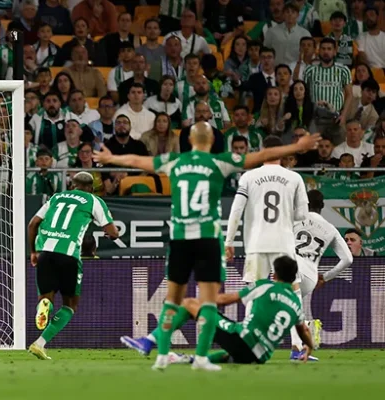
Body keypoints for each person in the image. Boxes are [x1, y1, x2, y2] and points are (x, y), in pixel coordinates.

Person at [93, 121, 321, 371]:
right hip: (208, 238)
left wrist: (111, 158)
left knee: (172, 301)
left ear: (190, 140)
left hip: (180, 238)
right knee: (209, 302)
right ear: (212, 140)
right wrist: (296, 146)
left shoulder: (174, 161)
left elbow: (137, 161)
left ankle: (162, 355)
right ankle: (201, 358)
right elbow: (262, 155)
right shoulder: (219, 162)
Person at [121, 256, 316, 365]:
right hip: (260, 357)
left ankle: (148, 341)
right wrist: (310, 347)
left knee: (188, 304)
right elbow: (303, 331)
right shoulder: (296, 303)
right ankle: (186, 360)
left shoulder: (266, 286)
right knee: (226, 355)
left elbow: (226, 299)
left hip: (242, 340)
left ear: (275, 274)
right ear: (294, 277)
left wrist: (201, 303)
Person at [27, 172, 119, 360]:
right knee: (70, 305)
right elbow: (113, 232)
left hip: (45, 253)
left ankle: (44, 306)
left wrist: (33, 252)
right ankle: (39, 343)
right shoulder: (93, 201)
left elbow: (33, 224)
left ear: (72, 185)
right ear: (91, 188)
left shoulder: (56, 197)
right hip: (69, 255)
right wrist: (110, 233)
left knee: (46, 298)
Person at [224, 136, 309, 328]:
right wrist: (286, 213)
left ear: (262, 151)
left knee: (254, 291)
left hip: (257, 242)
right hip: (283, 242)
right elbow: (303, 214)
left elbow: (236, 210)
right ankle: (297, 342)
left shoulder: (248, 177)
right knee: (292, 290)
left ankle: (247, 337)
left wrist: (229, 241)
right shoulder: (295, 178)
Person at [291, 189, 353, 360]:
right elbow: (348, 259)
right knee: (288, 306)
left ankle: (298, 345)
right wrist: (325, 277)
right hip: (311, 275)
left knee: (285, 304)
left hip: (291, 267)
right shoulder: (330, 229)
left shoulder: (294, 219)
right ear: (322, 206)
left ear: (305, 203)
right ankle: (303, 335)